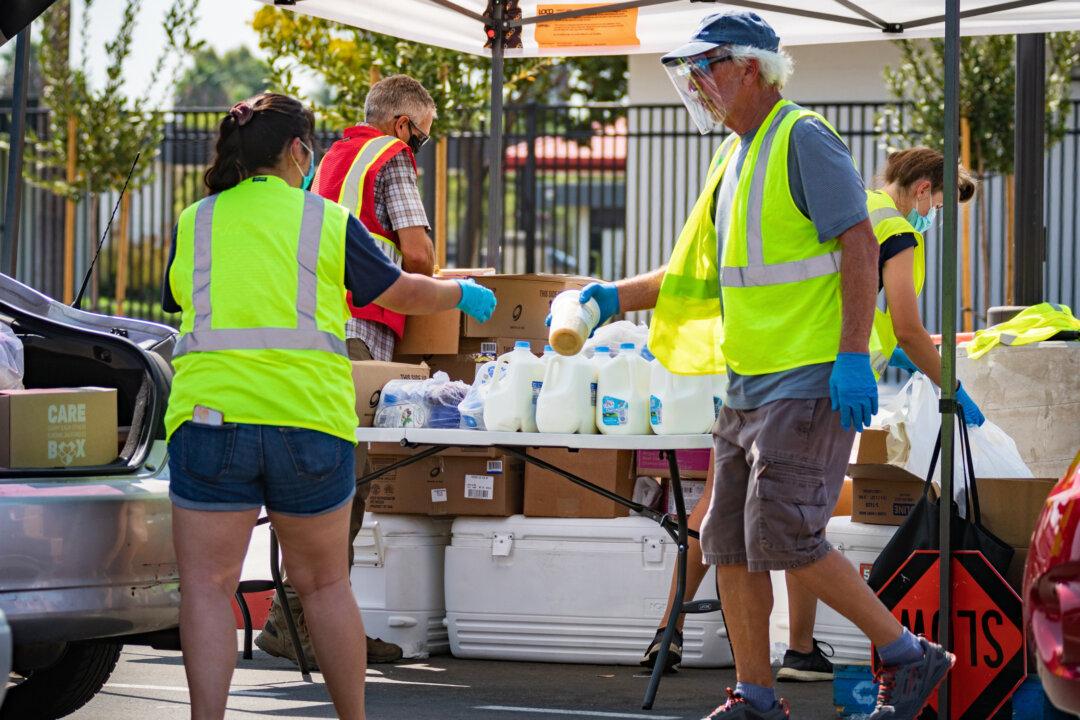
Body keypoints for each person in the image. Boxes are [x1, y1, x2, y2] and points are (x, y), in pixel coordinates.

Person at [579, 12, 954, 719]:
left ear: (751, 68)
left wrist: (850, 357)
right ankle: (755, 695)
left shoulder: (802, 138)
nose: (697, 84)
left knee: (782, 532)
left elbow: (860, 246)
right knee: (727, 540)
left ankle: (908, 654)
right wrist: (611, 297)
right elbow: (699, 270)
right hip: (749, 381)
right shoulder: (734, 155)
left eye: (707, 68)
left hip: (810, 376)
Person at [162, 92, 496, 720]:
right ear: (296, 151)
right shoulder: (323, 220)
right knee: (325, 586)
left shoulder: (194, 220)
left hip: (211, 420)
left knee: (207, 589)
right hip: (309, 424)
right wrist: (459, 293)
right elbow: (400, 290)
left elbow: (180, 299)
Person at [640, 147, 984, 686]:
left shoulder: (851, 204)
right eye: (937, 204)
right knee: (799, 531)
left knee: (726, 525)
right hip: (821, 392)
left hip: (761, 373)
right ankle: (894, 651)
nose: (932, 216)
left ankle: (713, 654)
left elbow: (857, 309)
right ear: (922, 189)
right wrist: (952, 386)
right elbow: (910, 329)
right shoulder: (897, 232)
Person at [257, 74, 438, 667]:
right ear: (403, 124)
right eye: (424, 137)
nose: (421, 150)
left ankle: (297, 617)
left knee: (311, 480)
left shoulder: (326, 158)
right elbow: (419, 254)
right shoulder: (392, 157)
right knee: (346, 486)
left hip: (309, 330)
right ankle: (309, 623)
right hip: (359, 334)